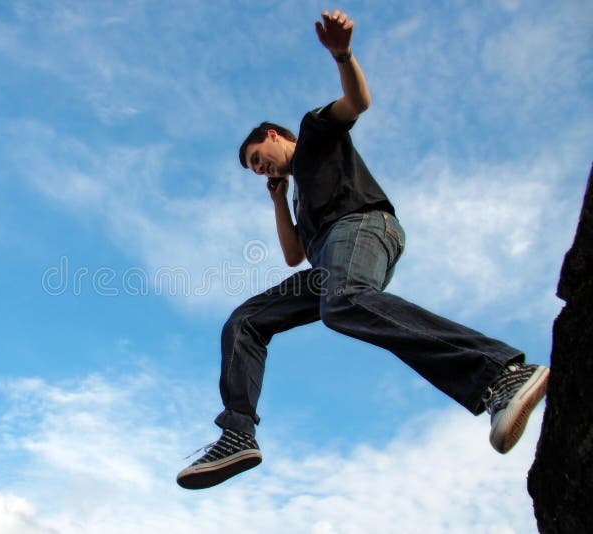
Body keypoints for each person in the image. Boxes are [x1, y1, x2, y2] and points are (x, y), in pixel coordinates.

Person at [176, 8, 550, 490]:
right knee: (246, 320)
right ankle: (237, 434)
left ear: (273, 137)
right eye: (253, 171)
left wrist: (343, 55)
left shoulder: (313, 132)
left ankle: (500, 373)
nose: (259, 170)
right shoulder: (294, 193)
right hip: (327, 261)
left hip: (363, 227)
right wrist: (279, 203)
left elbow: (358, 101)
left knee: (344, 300)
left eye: (257, 159)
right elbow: (293, 256)